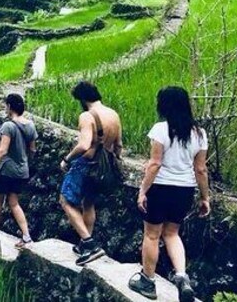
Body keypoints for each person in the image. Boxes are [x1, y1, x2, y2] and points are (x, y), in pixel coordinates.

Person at [128, 87, 210, 302]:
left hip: (161, 187)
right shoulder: (199, 134)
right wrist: (205, 198)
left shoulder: (160, 129)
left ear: (163, 105)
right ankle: (182, 277)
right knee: (172, 233)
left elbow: (154, 164)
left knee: (152, 235)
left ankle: (147, 281)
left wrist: (142, 190)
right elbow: (200, 169)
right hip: (185, 190)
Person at [59, 81, 123, 266]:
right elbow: (119, 146)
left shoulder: (87, 116)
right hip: (103, 167)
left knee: (65, 200)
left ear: (82, 99)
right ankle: (83, 244)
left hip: (85, 164)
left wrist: (67, 159)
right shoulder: (113, 114)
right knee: (88, 203)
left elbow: (84, 144)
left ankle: (89, 243)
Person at [0, 93, 37, 248]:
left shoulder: (8, 126)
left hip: (5, 170)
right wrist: (24, 163)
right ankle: (26, 236)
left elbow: (2, 151)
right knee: (14, 202)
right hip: (22, 171)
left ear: (10, 106)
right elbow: (33, 150)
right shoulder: (30, 125)